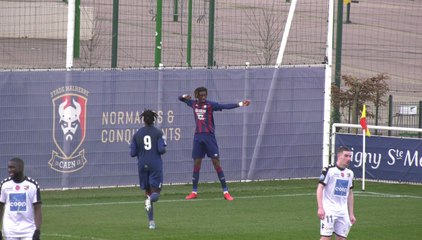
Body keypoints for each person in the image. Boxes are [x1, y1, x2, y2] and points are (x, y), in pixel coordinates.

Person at [178, 86, 250, 201]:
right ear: (197, 95)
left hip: (209, 137)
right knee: (197, 163)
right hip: (198, 137)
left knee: (216, 163)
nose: (203, 97)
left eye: (204, 95)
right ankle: (194, 192)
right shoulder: (193, 104)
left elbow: (224, 106)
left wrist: (240, 104)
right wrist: (184, 96)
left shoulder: (210, 105)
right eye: (201, 95)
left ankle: (226, 192)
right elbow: (180, 99)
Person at [130, 109, 167, 230]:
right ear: (154, 120)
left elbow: (133, 153)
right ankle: (150, 200)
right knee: (155, 193)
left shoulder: (137, 134)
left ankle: (151, 222)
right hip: (155, 164)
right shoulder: (158, 133)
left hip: (142, 165)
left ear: (143, 120)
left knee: (147, 193)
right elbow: (161, 150)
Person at [316, 146, 356, 240]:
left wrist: (351, 213)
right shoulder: (329, 169)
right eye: (346, 156)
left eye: (350, 156)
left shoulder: (350, 173)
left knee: (341, 238)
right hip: (329, 210)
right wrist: (320, 208)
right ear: (339, 156)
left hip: (343, 211)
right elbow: (319, 188)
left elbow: (350, 193)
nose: (348, 159)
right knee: (326, 238)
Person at [0, 157, 42, 240]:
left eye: (12, 167)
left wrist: (37, 230)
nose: (10, 170)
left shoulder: (33, 185)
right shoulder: (4, 185)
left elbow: (37, 209)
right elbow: (0, 207)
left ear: (21, 168)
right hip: (10, 229)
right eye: (9, 167)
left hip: (28, 229)